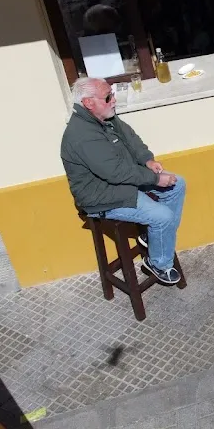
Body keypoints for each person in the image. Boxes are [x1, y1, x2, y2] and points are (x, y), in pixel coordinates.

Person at [61, 78, 186, 285]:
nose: (113, 100)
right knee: (162, 216)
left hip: (123, 182)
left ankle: (154, 238)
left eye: (112, 94)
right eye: (107, 97)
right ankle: (158, 263)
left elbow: (131, 138)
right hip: (102, 195)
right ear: (88, 103)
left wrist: (147, 160)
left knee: (177, 184)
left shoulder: (104, 118)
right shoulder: (82, 135)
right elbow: (115, 172)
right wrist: (155, 179)